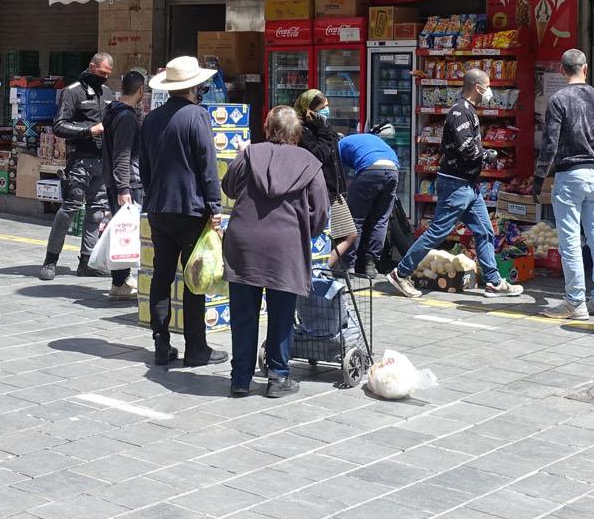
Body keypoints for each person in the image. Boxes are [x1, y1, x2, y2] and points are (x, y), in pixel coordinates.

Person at [387, 68, 523, 300]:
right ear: (477, 87)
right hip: (456, 185)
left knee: (485, 231)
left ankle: (493, 282)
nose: (490, 91)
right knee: (437, 232)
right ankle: (401, 273)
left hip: (469, 186)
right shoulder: (460, 112)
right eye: (487, 86)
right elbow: (466, 148)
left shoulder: (469, 111)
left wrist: (482, 154)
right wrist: (486, 155)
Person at [221, 106, 328, 399]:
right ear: (297, 134)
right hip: (286, 246)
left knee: (243, 314)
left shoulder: (249, 154)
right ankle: (278, 377)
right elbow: (320, 214)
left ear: (267, 129)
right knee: (281, 313)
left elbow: (228, 187)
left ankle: (240, 378)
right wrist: (305, 231)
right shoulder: (310, 163)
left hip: (244, 242)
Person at [138, 57, 229, 368]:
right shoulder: (198, 116)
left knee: (161, 276)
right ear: (194, 86)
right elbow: (207, 167)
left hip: (159, 209)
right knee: (195, 279)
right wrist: (215, 208)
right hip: (191, 210)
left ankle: (161, 344)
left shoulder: (151, 119)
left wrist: (152, 195)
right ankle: (196, 347)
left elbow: (145, 167)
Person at [537, 49, 594, 321]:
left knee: (570, 242)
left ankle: (575, 302)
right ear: (585, 69)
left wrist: (538, 178)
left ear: (563, 70)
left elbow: (550, 144)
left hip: (570, 175)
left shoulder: (558, 99)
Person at [40, 53, 114, 282]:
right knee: (68, 210)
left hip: (102, 162)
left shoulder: (108, 93)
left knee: (97, 212)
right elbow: (59, 126)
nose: (104, 78)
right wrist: (88, 131)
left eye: (108, 75)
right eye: (101, 73)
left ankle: (87, 261)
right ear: (91, 67)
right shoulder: (72, 92)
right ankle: (50, 261)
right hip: (80, 161)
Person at [96, 69, 146, 301]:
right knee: (126, 232)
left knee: (123, 231)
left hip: (117, 181)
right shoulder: (126, 117)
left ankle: (122, 280)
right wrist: (124, 188)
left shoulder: (113, 111)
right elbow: (122, 155)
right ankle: (119, 282)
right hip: (127, 183)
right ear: (140, 90)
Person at [339, 123, 400, 277]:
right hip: (392, 169)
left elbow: (336, 170)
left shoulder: (339, 145)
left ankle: (349, 266)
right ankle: (371, 264)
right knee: (381, 219)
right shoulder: (364, 140)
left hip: (370, 168)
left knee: (355, 219)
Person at [294, 89, 345, 199]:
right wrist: (324, 130)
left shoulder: (324, 125)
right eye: (321, 108)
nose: (326, 110)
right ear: (309, 111)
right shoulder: (303, 131)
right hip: (318, 192)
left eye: (327, 106)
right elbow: (319, 155)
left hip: (335, 191)